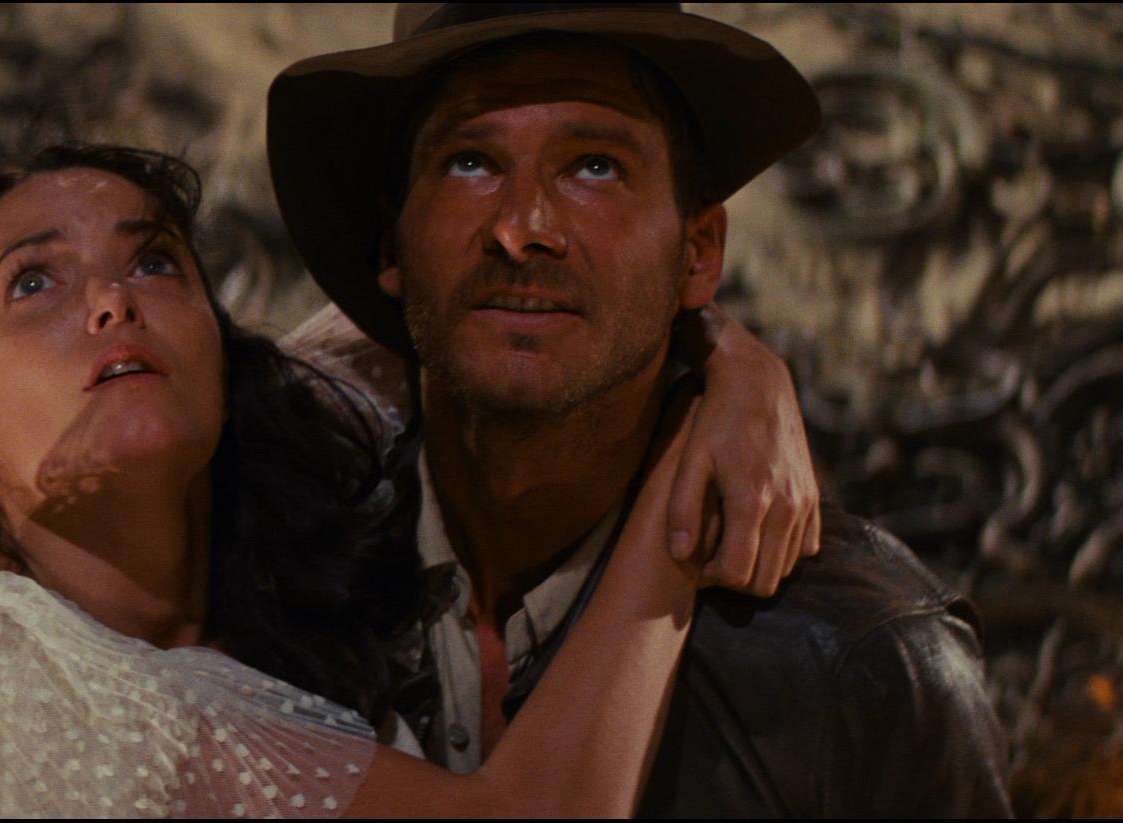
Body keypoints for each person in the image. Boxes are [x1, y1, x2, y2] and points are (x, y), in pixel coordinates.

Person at [0, 142, 811, 817]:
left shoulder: (254, 515)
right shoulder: (1, 679)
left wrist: (737, 360)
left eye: (154, 263)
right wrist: (694, 458)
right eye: (35, 281)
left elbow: (488, 305)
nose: (111, 302)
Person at [267, 3, 1016, 816]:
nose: (522, 228)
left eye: (595, 167)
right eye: (470, 162)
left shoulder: (863, 664)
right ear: (390, 244)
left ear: (699, 253)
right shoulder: (274, 581)